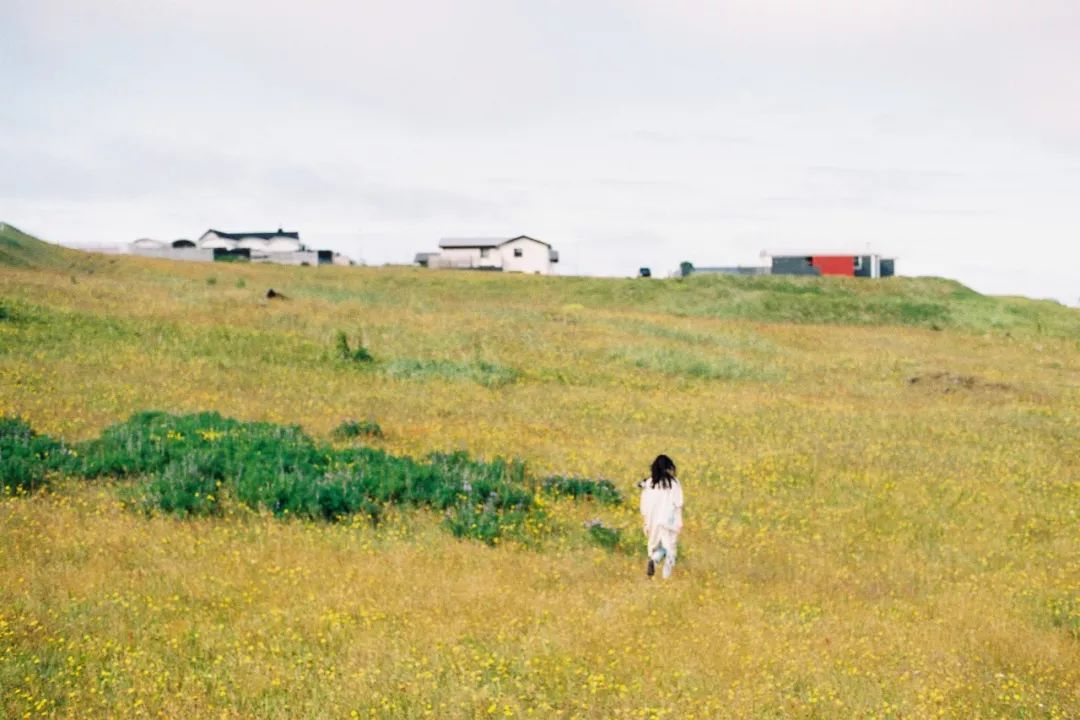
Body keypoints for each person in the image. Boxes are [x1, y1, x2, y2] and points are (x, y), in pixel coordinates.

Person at [638, 454, 683, 579]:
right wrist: (679, 521)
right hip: (669, 520)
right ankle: (666, 579)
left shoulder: (649, 483)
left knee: (657, 546)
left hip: (652, 520)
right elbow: (678, 503)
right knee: (670, 550)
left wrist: (646, 522)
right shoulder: (674, 483)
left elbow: (644, 505)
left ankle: (653, 559)